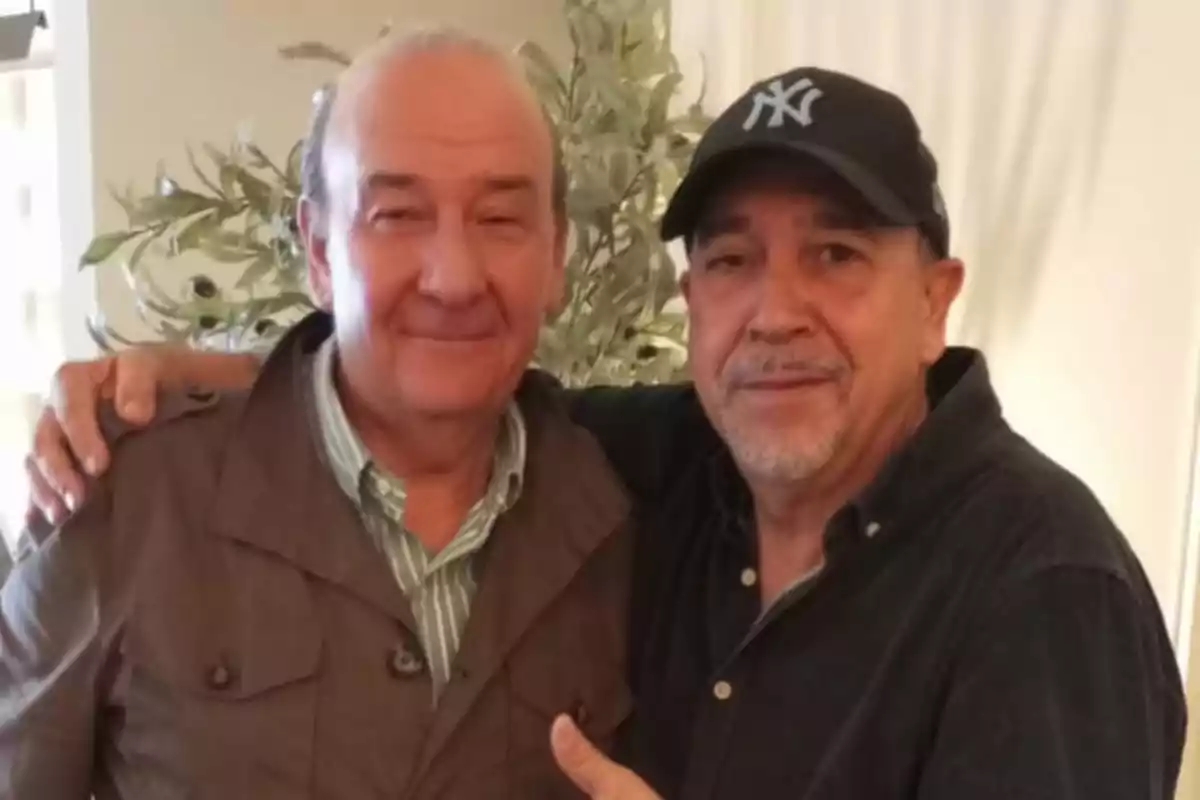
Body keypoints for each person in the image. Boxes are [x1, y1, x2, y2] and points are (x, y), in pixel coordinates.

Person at [21, 65, 1188, 800]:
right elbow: (440, 378)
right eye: (731, 260)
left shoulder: (1046, 589)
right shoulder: (668, 469)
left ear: (935, 299)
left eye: (836, 253)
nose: (776, 311)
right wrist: (189, 379)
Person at [0, 29, 637, 799]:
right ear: (320, 251)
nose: (454, 277)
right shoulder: (125, 501)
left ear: (556, 254)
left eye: (500, 219)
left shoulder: (623, 504)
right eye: (397, 215)